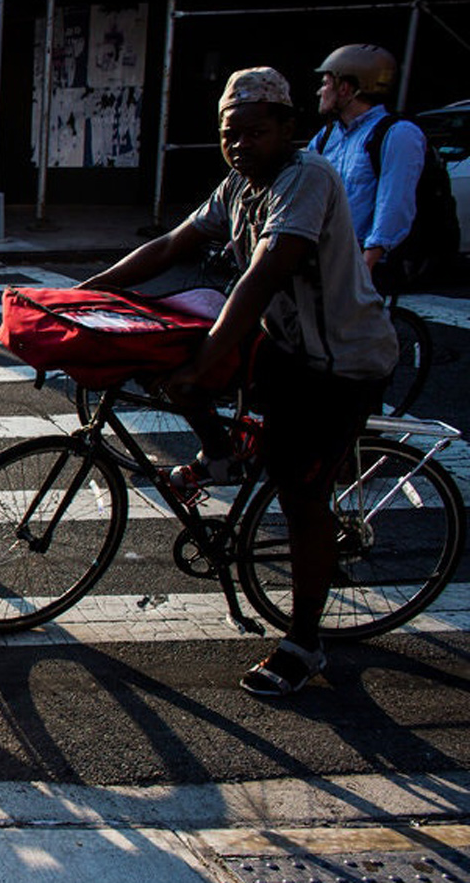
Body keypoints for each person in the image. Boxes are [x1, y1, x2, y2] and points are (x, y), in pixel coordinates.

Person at [79, 67, 397, 697]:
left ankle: (304, 644)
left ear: (287, 127)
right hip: (285, 348)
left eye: (255, 132)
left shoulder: (305, 178)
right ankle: (221, 457)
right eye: (230, 134)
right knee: (172, 367)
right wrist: (82, 295)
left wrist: (204, 365)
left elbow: (262, 276)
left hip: (341, 364)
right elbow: (171, 244)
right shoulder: (239, 186)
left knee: (302, 498)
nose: (240, 144)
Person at [309, 43, 429, 289]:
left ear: (345, 88)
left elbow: (394, 202)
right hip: (326, 257)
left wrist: (367, 265)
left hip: (365, 263)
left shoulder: (397, 134)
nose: (320, 91)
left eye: (326, 83)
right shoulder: (327, 135)